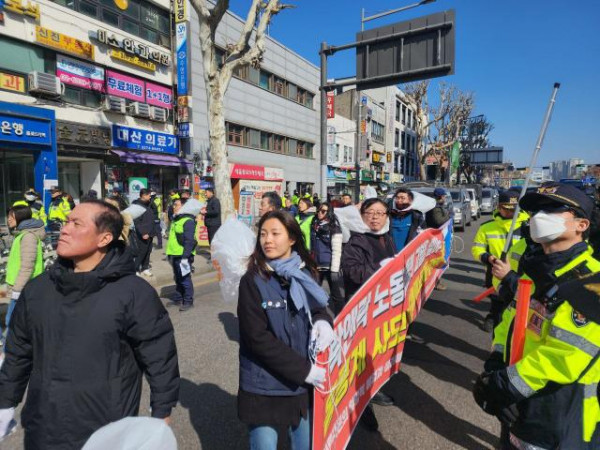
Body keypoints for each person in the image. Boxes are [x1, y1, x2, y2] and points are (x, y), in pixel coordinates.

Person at [0, 200, 179, 449]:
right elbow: (18, 352)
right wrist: (6, 402)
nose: (64, 229)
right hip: (43, 427)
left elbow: (159, 356)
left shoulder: (133, 293)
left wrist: (161, 411)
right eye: (65, 222)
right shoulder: (39, 289)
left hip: (105, 432)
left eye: (76, 224)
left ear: (104, 238)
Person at [473, 183, 600, 449]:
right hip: (522, 403)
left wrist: (505, 385)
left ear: (582, 225)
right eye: (535, 210)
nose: (538, 217)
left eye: (552, 209)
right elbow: (510, 320)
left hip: (561, 412)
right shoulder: (535, 271)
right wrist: (497, 359)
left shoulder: (592, 279)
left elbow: (566, 354)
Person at [237, 210, 334, 449]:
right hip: (264, 384)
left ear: (292, 238)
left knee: (305, 444)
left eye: (275, 233)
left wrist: (323, 322)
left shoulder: (304, 273)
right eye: (263, 234)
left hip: (300, 386)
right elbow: (256, 338)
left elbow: (317, 307)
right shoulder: (252, 280)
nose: (267, 240)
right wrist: (304, 370)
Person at [341, 198, 396, 431]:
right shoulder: (355, 240)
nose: (375, 217)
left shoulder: (387, 237)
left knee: (378, 352)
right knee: (362, 357)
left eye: (380, 213)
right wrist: (382, 269)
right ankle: (363, 406)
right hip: (362, 308)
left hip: (383, 306)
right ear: (361, 215)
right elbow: (353, 273)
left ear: (386, 216)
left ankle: (375, 390)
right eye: (370, 212)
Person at [471, 189, 529, 331]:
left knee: (518, 310)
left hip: (520, 275)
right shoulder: (487, 227)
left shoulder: (527, 227)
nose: (510, 213)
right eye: (506, 209)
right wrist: (487, 258)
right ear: (498, 207)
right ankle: (493, 318)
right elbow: (477, 249)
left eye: (514, 209)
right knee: (497, 302)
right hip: (495, 273)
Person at [3, 205, 45, 339]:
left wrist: (17, 290)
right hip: (19, 286)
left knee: (12, 323)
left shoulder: (28, 237)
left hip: (23, 288)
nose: (8, 219)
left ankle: (9, 355)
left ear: (20, 217)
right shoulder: (21, 234)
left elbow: (27, 266)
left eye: (11, 216)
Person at [310, 202, 344, 315]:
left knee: (336, 294)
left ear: (329, 212)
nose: (320, 213)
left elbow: (337, 250)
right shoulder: (314, 225)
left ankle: (340, 316)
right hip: (316, 264)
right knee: (313, 292)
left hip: (329, 264)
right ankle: (315, 315)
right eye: (319, 210)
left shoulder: (334, 227)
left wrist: (334, 269)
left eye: (323, 211)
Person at [166, 198, 199, 312]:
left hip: (183, 255)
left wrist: (185, 257)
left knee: (185, 278)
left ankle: (188, 301)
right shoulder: (177, 219)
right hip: (174, 254)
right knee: (178, 278)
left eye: (176, 205)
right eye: (174, 205)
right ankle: (178, 298)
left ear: (184, 207)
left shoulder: (188, 221)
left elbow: (189, 241)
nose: (174, 207)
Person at [389, 188, 425, 253]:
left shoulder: (417, 216)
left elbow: (423, 236)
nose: (399, 200)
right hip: (391, 256)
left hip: (409, 255)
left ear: (410, 200)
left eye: (403, 198)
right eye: (397, 198)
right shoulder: (388, 215)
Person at [132, 189, 156, 276]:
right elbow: (137, 221)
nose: (150, 197)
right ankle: (135, 268)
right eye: (149, 195)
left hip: (150, 232)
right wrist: (143, 232)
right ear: (143, 195)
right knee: (142, 252)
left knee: (148, 251)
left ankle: (145, 268)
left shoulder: (148, 204)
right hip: (143, 234)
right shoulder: (137, 205)